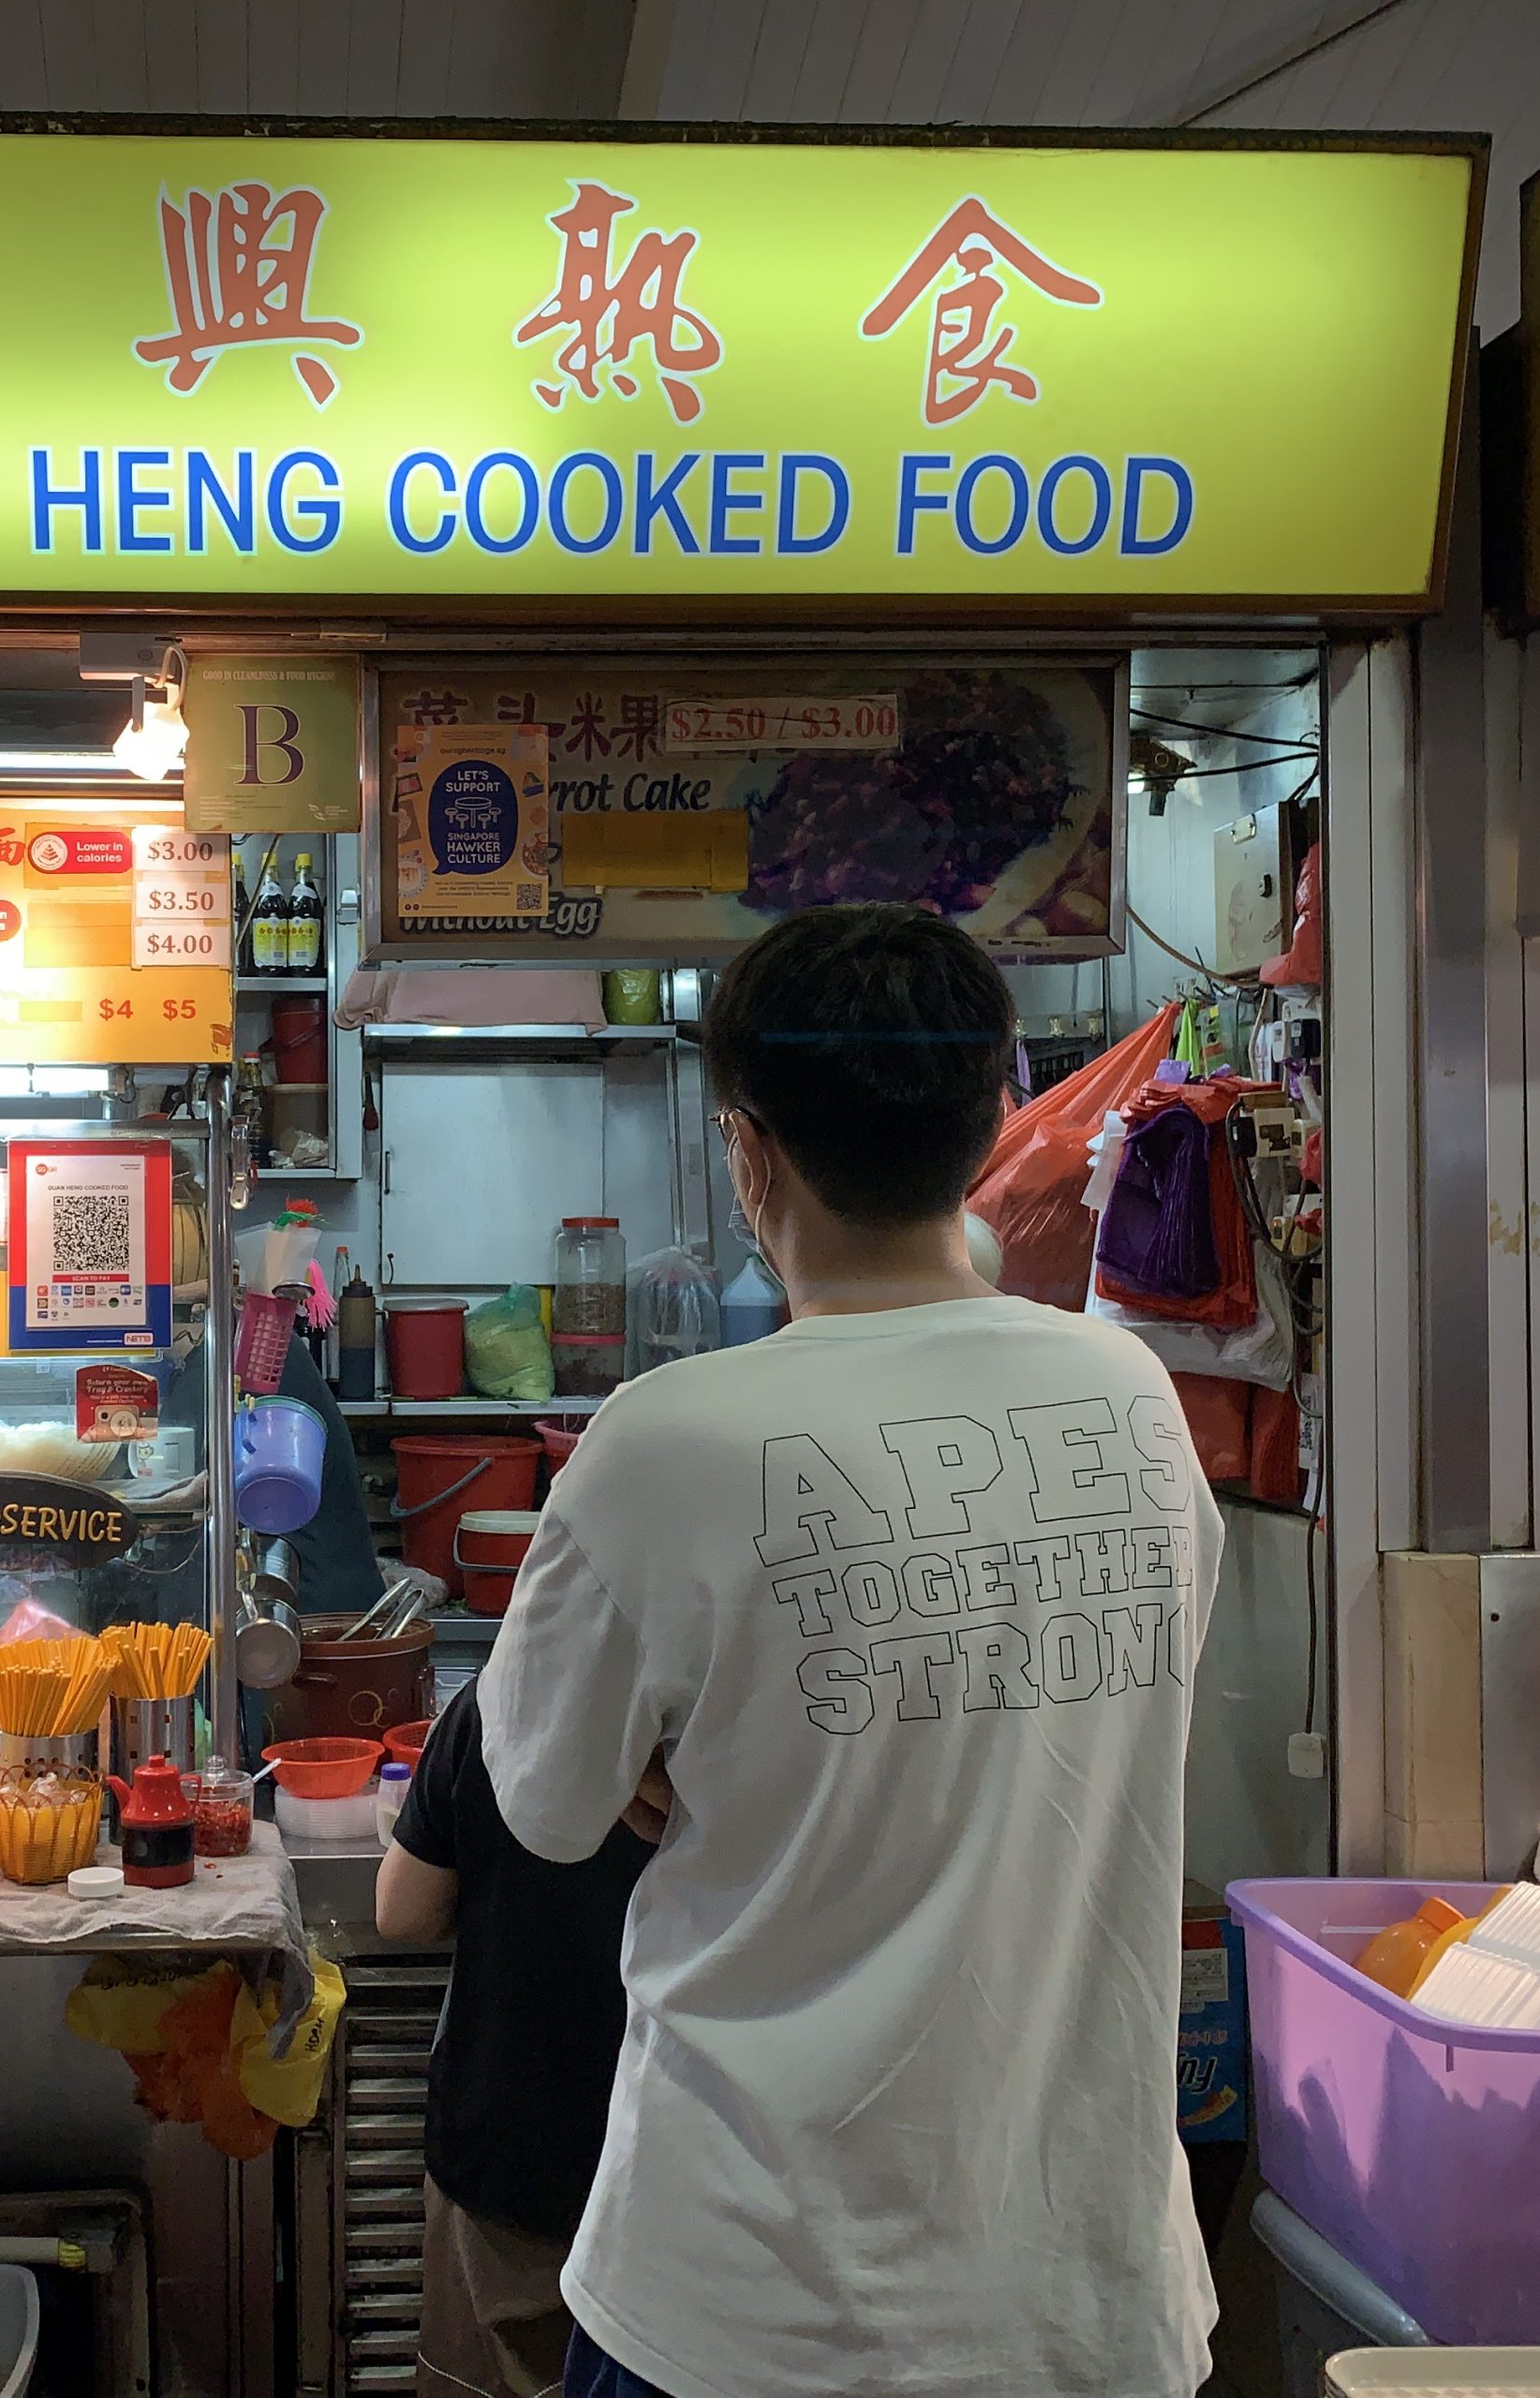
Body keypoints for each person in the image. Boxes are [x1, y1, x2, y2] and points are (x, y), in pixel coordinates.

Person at [480, 903, 1224, 2398]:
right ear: (997, 1115)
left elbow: (549, 1804)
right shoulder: (1134, 1399)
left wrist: (685, 1748)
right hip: (1085, 2312)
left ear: (748, 1152)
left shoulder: (661, 1442)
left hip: (741, 2309)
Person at [375, 1680, 650, 2398]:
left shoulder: (498, 1703)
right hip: (689, 2171)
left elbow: (402, 1913)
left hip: (515, 2155)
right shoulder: (759, 1715)